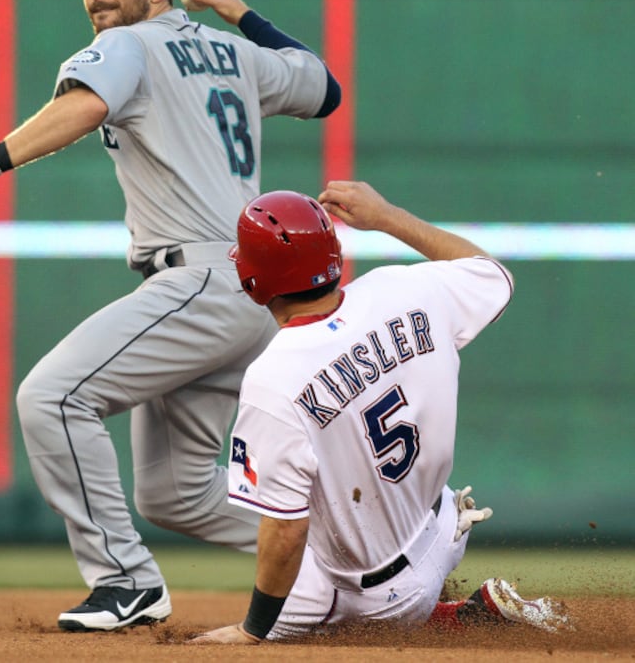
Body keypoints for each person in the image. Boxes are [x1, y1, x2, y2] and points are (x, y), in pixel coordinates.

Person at [0, 0, 341, 631]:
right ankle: (345, 545)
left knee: (51, 396)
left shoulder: (125, 45)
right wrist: (240, 13)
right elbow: (324, 88)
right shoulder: (234, 53)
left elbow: (83, 105)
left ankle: (125, 580)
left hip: (202, 280)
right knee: (175, 493)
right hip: (248, 295)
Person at [190, 181, 571, 644]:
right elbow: (490, 273)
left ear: (253, 281)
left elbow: (285, 533)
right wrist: (386, 216)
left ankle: (436, 617)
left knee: (223, 642)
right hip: (444, 522)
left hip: (377, 591)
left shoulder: (273, 377)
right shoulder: (405, 288)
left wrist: (253, 630)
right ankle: (471, 613)